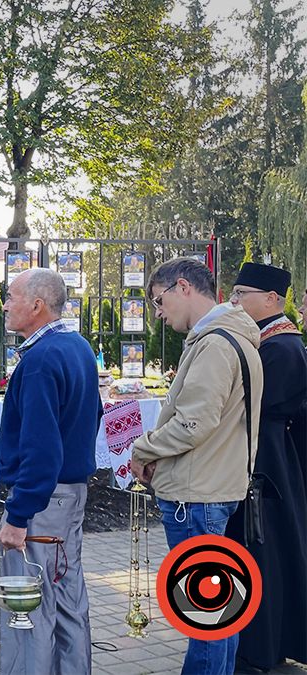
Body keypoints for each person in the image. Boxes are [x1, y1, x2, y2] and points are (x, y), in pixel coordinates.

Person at [130, 257, 263, 675]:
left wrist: (144, 448)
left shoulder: (215, 344)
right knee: (220, 613)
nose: (157, 312)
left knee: (206, 616)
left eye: (158, 300)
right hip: (211, 487)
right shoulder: (232, 338)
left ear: (182, 287)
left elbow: (193, 424)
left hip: (196, 494)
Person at [0, 268, 100, 675]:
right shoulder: (77, 346)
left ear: (36, 305)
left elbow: (41, 448)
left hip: (42, 502)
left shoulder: (40, 360)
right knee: (69, 601)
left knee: (28, 607)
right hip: (69, 494)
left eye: (11, 296)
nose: (4, 304)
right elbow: (92, 417)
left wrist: (18, 515)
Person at [224, 263, 307, 671]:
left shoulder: (283, 347)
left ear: (272, 299)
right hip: (265, 461)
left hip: (270, 467)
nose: (234, 301)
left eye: (242, 293)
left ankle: (261, 648)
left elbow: (259, 408)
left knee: (265, 555)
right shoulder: (267, 341)